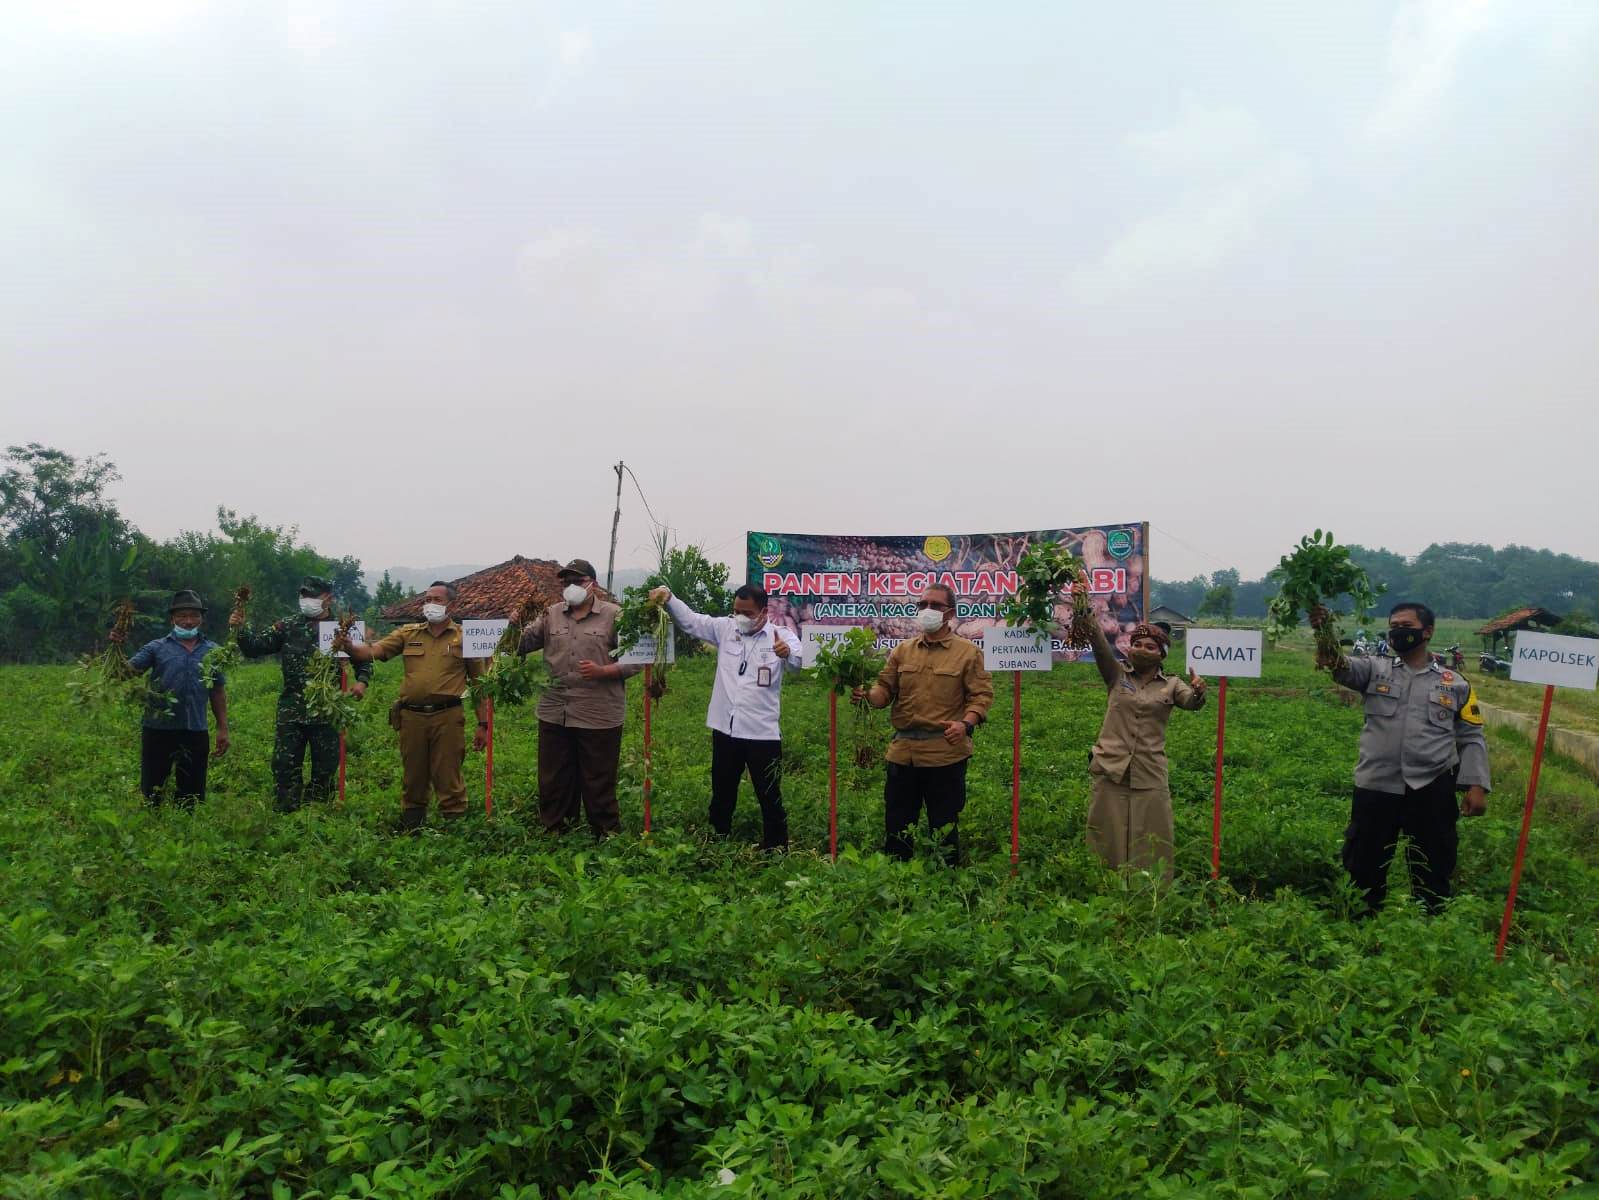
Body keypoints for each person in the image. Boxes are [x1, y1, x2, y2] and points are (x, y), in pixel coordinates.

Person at [1313, 601, 1490, 916]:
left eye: (1407, 627)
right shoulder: (1373, 668)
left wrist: (1477, 784)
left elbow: (1471, 736)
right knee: (1364, 861)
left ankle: (1429, 925)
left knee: (1433, 862)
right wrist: (1323, 630)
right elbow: (1339, 665)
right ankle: (1361, 925)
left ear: (1427, 631)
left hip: (1431, 786)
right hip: (1377, 783)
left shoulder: (1456, 683)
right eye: (1394, 626)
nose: (1398, 632)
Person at [651, 582, 801, 850]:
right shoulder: (725, 628)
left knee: (769, 794)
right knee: (722, 790)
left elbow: (799, 663)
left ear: (764, 611)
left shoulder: (781, 635)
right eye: (736, 611)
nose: (740, 617)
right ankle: (717, 840)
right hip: (725, 729)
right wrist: (670, 597)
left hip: (762, 732)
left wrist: (788, 654)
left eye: (747, 612)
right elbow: (692, 621)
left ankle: (776, 847)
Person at [855, 584, 994, 864]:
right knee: (897, 824)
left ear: (950, 613)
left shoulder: (968, 653)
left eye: (935, 605)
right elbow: (884, 690)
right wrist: (868, 696)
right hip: (903, 752)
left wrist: (965, 725)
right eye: (922, 605)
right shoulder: (902, 651)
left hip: (944, 754)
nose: (927, 610)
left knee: (943, 827)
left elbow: (981, 696)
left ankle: (946, 884)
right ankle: (896, 879)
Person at [341, 581, 488, 831]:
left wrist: (483, 723)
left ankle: (454, 825)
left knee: (448, 772)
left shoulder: (465, 637)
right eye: (427, 599)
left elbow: (479, 684)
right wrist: (348, 646)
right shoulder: (408, 633)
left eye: (437, 600)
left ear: (451, 605)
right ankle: (412, 825)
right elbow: (372, 652)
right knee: (413, 774)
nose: (429, 604)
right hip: (412, 717)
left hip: (448, 716)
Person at [517, 559, 641, 837]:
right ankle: (557, 828)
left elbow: (637, 660)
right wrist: (513, 628)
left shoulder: (615, 615)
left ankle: (605, 832)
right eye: (566, 582)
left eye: (578, 581)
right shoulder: (551, 614)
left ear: (592, 584)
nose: (571, 587)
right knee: (554, 776)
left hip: (598, 712)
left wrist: (604, 670)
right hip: (554, 709)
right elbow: (523, 644)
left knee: (598, 776)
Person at [232, 575, 372, 813]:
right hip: (292, 710)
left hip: (327, 709)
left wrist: (361, 683)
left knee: (325, 766)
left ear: (328, 598)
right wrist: (240, 628)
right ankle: (286, 812)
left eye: (312, 596)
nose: (306, 600)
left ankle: (317, 813)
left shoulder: (343, 628)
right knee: (285, 764)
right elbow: (255, 647)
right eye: (303, 595)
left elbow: (364, 661)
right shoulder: (286, 626)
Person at [1083, 619, 1206, 881]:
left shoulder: (1172, 684)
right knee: (1106, 830)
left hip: (1149, 770)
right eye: (1136, 644)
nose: (1141, 649)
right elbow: (1099, 644)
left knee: (1153, 833)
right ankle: (1106, 885)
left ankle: (1150, 888)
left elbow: (1191, 702)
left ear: (1161, 653)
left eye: (1150, 647)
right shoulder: (1116, 675)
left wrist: (1198, 691)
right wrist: (1086, 613)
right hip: (1110, 767)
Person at [121, 589, 230, 807]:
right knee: (152, 791)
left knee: (192, 795)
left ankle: (188, 831)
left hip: (195, 729)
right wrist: (116, 646)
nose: (188, 621)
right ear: (173, 619)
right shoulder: (156, 648)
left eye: (194, 616)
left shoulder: (213, 651)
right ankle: (153, 828)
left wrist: (222, 728)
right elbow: (124, 673)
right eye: (182, 616)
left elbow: (217, 691)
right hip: (158, 728)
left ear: (201, 618)